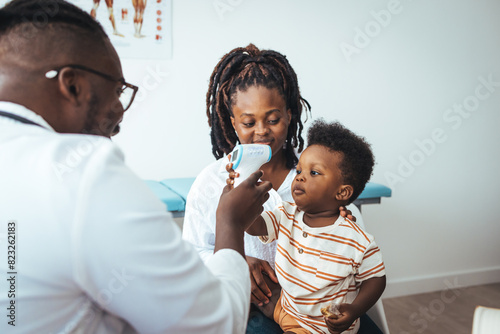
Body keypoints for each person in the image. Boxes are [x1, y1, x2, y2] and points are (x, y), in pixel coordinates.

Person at [0, 1, 271, 333]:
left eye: (273, 119)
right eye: (117, 91)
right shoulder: (85, 173)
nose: (119, 116)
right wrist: (230, 223)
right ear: (72, 86)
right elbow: (217, 325)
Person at [181, 44, 364, 333]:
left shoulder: (315, 177)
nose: (262, 131)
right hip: (252, 308)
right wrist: (237, 261)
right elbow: (192, 254)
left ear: (290, 116)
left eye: (273, 119)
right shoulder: (212, 182)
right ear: (232, 123)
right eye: (249, 122)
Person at [228, 120, 386, 334]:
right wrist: (242, 199)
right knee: (248, 283)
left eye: (314, 173)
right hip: (288, 305)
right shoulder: (286, 213)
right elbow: (254, 227)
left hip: (318, 326)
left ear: (342, 193)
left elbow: (376, 279)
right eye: (300, 169)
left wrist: (355, 309)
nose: (300, 176)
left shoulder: (355, 239)